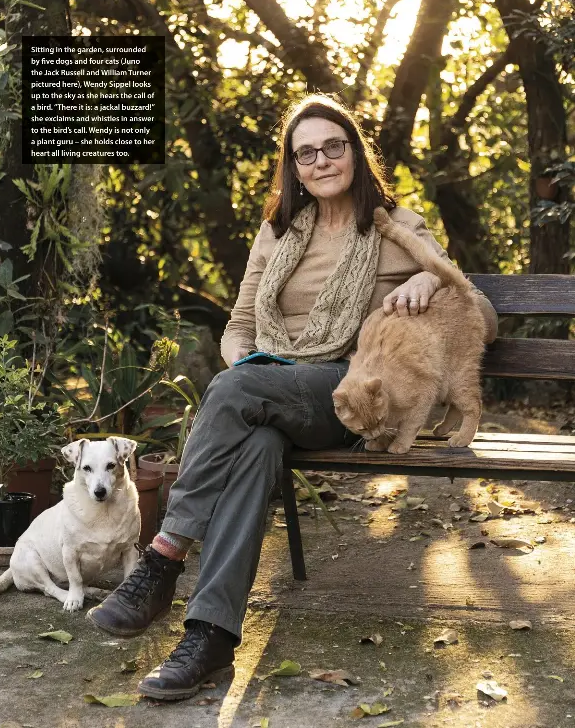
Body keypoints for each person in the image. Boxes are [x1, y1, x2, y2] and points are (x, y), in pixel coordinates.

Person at [87, 94, 498, 701]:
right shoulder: (276, 232)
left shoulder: (396, 227)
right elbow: (238, 326)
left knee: (238, 390)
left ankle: (163, 558)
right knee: (254, 445)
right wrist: (245, 365)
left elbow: (479, 312)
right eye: (306, 153)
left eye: (334, 146)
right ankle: (211, 637)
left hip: (350, 394)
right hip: (268, 392)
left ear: (355, 153)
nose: (322, 160)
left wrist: (425, 277)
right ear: (293, 167)